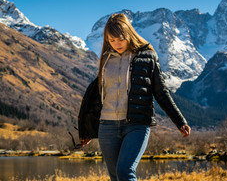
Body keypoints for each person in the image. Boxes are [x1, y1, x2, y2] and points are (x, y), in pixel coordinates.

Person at [78, 13, 191, 181]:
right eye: (112, 40)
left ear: (129, 34)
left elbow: (161, 92)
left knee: (125, 171)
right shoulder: (106, 59)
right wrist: (86, 129)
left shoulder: (147, 57)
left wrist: (179, 120)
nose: (116, 44)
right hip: (107, 127)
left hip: (136, 125)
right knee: (116, 177)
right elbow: (96, 96)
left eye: (120, 39)